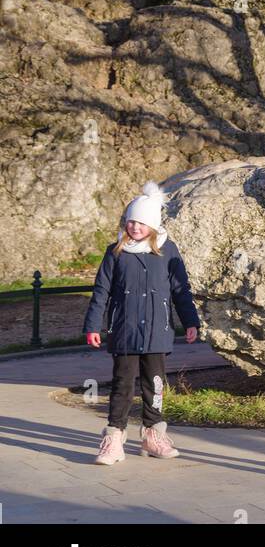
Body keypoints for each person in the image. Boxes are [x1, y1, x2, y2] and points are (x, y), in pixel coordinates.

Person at [83, 181, 200, 464]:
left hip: (158, 332)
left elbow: (180, 289)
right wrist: (92, 325)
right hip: (125, 331)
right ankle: (114, 437)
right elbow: (101, 291)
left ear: (153, 225)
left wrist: (190, 321)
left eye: (141, 222)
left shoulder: (168, 250)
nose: (134, 227)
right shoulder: (115, 252)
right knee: (123, 384)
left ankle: (152, 434)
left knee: (155, 384)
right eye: (130, 221)